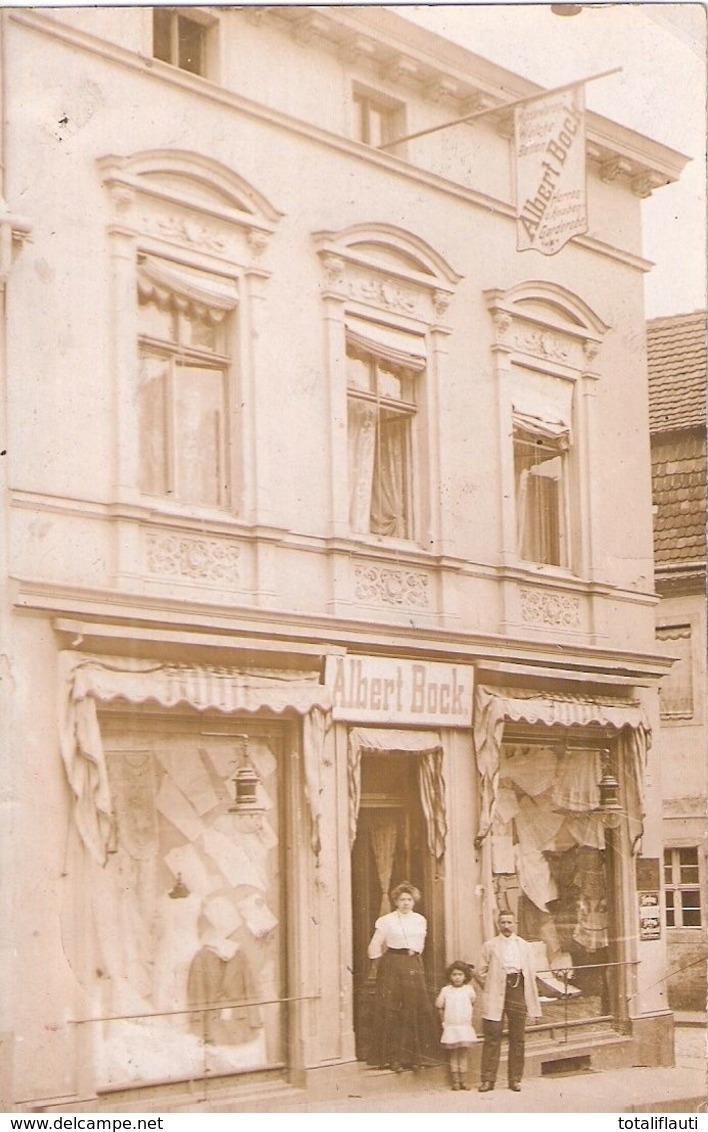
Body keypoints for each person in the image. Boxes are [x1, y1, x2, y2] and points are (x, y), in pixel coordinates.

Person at [366, 881, 440, 1073]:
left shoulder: (420, 920)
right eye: (402, 899)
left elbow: (420, 943)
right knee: (392, 1009)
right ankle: (393, 1058)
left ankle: (415, 1057)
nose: (406, 903)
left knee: (415, 1008)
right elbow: (374, 945)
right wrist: (378, 964)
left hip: (413, 964)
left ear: (414, 901)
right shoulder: (387, 920)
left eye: (409, 899)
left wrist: (415, 959)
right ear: (396, 901)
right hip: (392, 964)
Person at [477, 910, 541, 1093]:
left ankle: (515, 1079)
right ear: (498, 924)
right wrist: (491, 987)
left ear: (515, 924)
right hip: (496, 990)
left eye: (509, 922)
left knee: (517, 1037)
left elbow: (531, 972)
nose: (506, 926)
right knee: (492, 1036)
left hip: (518, 990)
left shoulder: (524, 946)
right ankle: (488, 1080)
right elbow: (480, 971)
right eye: (502, 922)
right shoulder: (490, 946)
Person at [435, 960, 477, 1090]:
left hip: (464, 1026)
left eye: (460, 974)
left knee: (463, 1054)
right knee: (453, 1055)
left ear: (465, 976)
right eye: (454, 974)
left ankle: (464, 1081)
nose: (457, 977)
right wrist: (444, 1022)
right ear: (450, 976)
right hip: (451, 1027)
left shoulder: (469, 990)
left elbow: (472, 1003)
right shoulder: (446, 990)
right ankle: (455, 1081)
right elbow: (439, 1006)